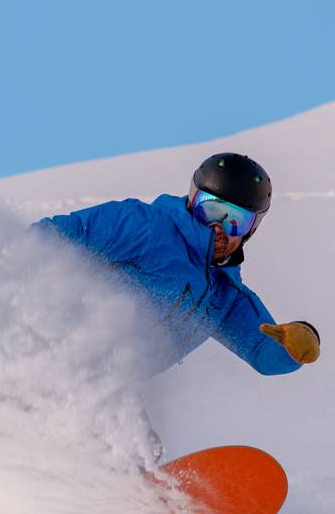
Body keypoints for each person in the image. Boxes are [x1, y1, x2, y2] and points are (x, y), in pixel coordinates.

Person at [35, 152, 320, 382]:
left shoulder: (225, 298)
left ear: (251, 229)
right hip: (47, 348)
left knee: (130, 434)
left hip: (104, 387)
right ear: (193, 200)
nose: (218, 227)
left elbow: (263, 352)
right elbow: (53, 237)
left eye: (235, 220)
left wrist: (296, 343)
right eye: (210, 208)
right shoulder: (143, 225)